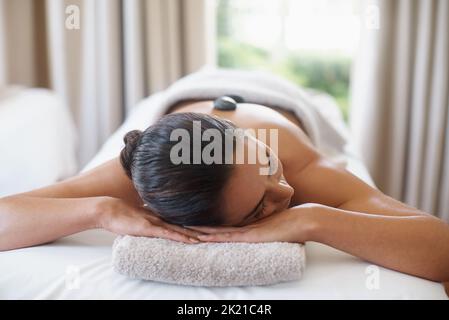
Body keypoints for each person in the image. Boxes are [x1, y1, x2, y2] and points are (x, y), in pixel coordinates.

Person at [1, 99, 449, 284]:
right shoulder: (135, 178)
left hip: (276, 103)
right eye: (259, 209)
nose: (286, 190)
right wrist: (99, 211)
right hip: (173, 104)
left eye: (268, 170)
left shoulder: (284, 152)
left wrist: (314, 218)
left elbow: (440, 249)